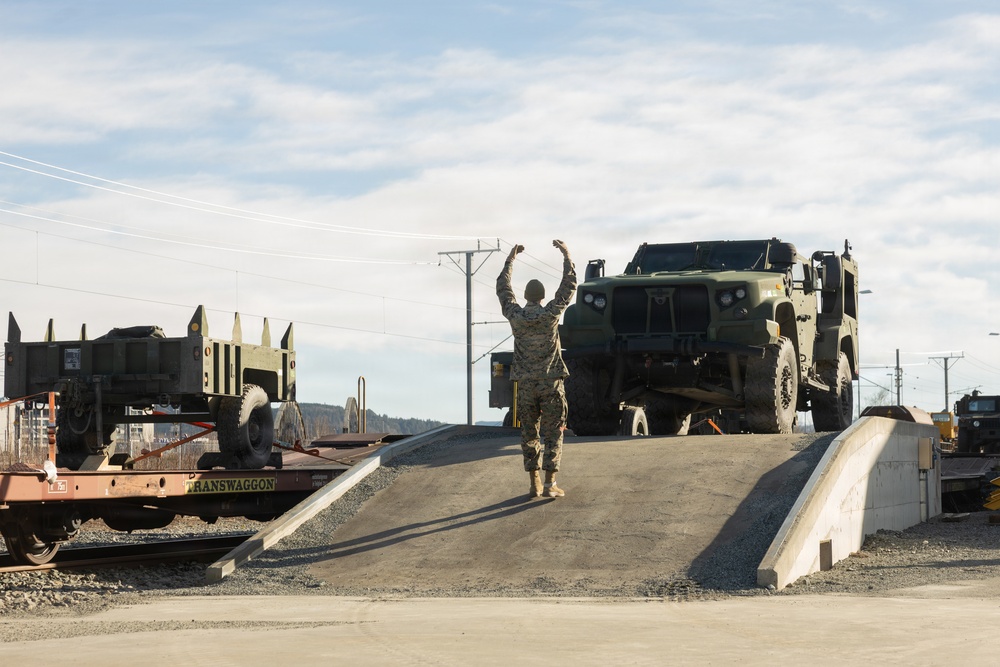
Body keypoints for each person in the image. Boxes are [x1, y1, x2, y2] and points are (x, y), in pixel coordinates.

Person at [496, 239, 576, 498]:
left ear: (527, 297)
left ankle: (534, 483)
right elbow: (568, 286)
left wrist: (511, 259)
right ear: (542, 297)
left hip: (526, 385)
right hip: (551, 383)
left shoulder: (516, 317)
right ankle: (551, 484)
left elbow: (503, 289)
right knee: (554, 432)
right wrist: (566, 254)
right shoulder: (550, 314)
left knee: (529, 432)